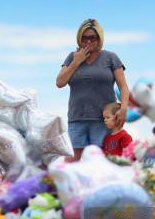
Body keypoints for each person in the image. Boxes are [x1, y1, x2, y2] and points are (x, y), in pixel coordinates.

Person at [56, 18, 132, 161]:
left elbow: (123, 86)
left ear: (99, 38)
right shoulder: (72, 57)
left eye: (92, 38)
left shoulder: (110, 57)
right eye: (84, 38)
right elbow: (60, 82)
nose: (88, 42)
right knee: (74, 160)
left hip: (104, 120)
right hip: (77, 118)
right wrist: (76, 62)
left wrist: (124, 108)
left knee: (101, 160)